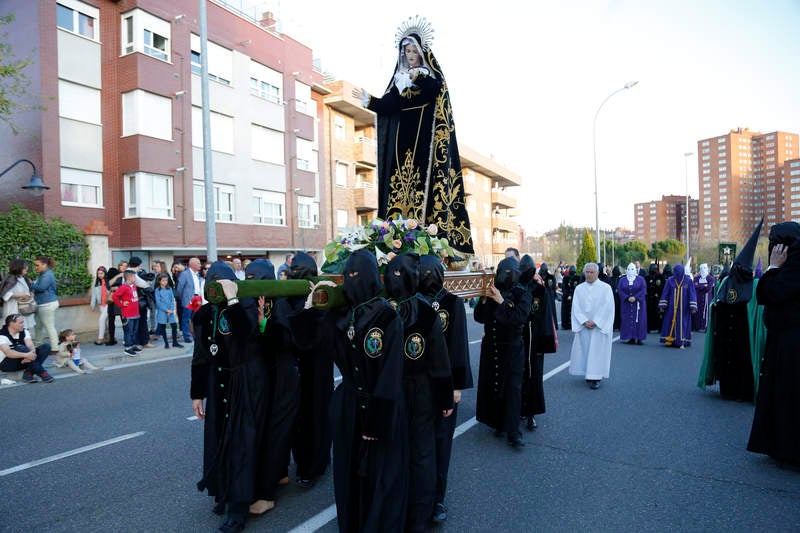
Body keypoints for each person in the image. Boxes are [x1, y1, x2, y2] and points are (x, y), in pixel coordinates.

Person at [305, 248, 409, 531]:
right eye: (348, 275)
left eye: (358, 275)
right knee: (349, 474)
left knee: (380, 477)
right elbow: (317, 345)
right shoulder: (342, 317)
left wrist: (376, 422)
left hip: (379, 407)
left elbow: (390, 375)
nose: (353, 280)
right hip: (349, 406)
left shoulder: (388, 317)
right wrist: (315, 306)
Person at [353, 17, 473, 254]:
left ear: (421, 52)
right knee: (399, 186)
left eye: (413, 50)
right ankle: (396, 239)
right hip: (402, 139)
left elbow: (434, 89)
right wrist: (371, 100)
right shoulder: (400, 78)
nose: (409, 54)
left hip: (425, 141)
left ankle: (427, 240)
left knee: (422, 185)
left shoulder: (429, 75)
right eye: (406, 50)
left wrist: (417, 74)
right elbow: (390, 104)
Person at [191, 261, 272, 533]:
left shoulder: (244, 305)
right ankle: (223, 492)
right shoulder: (203, 315)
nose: (214, 284)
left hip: (244, 382)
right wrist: (197, 394)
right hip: (218, 384)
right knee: (218, 439)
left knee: (241, 444)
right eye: (210, 279)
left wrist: (233, 300)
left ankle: (238, 507)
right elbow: (200, 355)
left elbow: (247, 334)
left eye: (220, 280)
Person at [384, 253, 453, 533]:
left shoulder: (382, 309)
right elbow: (439, 359)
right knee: (422, 451)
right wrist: (445, 397)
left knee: (396, 450)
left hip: (392, 389)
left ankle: (396, 510)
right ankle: (420, 514)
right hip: (421, 388)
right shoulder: (425, 310)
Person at [418, 254, 473, 524]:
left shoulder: (452, 303)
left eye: (431, 272)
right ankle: (419, 494)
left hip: (443, 383)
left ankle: (437, 498)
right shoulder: (411, 300)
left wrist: (457, 386)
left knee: (441, 442)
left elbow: (459, 345)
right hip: (417, 384)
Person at [747, 222, 800, 466]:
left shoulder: (794, 266)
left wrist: (773, 267)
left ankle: (788, 449)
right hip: (785, 339)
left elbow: (767, 294)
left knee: (788, 394)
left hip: (791, 342)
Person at [698, 220, 764, 401]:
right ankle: (728, 388)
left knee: (742, 360)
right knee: (727, 359)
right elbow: (717, 303)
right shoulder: (725, 283)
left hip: (743, 336)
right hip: (726, 334)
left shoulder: (754, 286)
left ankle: (742, 391)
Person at [285, 252, 333, 489]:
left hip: (317, 370)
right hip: (295, 369)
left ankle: (315, 465)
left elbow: (316, 336)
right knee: (298, 419)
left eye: (298, 269)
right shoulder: (286, 296)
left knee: (317, 416)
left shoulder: (322, 297)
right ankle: (304, 463)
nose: (293, 273)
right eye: (291, 269)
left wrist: (309, 309)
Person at [475, 257, 532, 448]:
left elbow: (517, 318)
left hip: (512, 348)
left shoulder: (522, 294)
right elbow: (479, 318)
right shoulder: (493, 290)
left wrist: (500, 301)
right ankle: (497, 422)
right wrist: (483, 301)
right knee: (494, 384)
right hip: (492, 347)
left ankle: (513, 431)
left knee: (513, 388)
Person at [519, 255, 557, 432]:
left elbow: (545, 320)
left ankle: (531, 414)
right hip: (518, 339)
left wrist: (544, 345)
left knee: (534, 377)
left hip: (534, 341)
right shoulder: (516, 288)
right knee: (518, 376)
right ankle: (517, 409)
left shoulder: (540, 290)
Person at [569, 263, 615, 390]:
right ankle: (588, 374)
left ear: (597, 273)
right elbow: (576, 307)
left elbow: (608, 307)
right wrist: (584, 321)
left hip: (599, 327)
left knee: (597, 351)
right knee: (585, 350)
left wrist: (596, 321)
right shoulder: (579, 288)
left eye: (591, 272)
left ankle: (596, 377)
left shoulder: (606, 288)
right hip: (584, 326)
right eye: (587, 272)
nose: (589, 275)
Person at [0, 313, 54, 383]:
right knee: (20, 347)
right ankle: (43, 373)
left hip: (25, 360)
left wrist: (32, 353)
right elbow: (8, 353)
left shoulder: (24, 331)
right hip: (7, 364)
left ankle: (28, 373)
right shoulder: (2, 335)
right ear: (12, 324)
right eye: (21, 323)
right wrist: (26, 355)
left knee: (46, 347)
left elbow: (30, 345)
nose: (23, 325)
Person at [658, 264, 697, 349]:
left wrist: (693, 307)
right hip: (671, 308)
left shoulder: (688, 281)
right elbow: (665, 293)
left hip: (684, 308)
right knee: (670, 322)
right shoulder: (670, 280)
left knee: (682, 323)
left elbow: (692, 294)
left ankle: (682, 342)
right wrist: (662, 305)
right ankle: (671, 340)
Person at [31, 255, 59, 350]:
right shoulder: (43, 274)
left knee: (49, 326)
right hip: (42, 304)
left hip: (47, 304)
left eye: (37, 265)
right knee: (38, 326)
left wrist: (31, 284)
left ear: (44, 265)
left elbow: (41, 287)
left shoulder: (48, 274)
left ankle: (55, 347)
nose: (36, 267)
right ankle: (38, 345)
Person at [1, 258, 36, 332]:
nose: (27, 268)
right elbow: (4, 294)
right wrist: (20, 295)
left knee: (25, 329)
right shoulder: (10, 279)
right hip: (13, 308)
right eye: (24, 267)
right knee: (15, 330)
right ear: (18, 268)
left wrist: (30, 294)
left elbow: (28, 289)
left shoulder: (23, 278)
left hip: (25, 308)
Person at [112, 270, 141, 357]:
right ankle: (128, 347)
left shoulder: (134, 286)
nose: (135, 278)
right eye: (134, 277)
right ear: (129, 278)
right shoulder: (124, 287)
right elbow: (114, 296)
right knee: (129, 331)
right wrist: (121, 304)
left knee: (135, 331)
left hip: (135, 312)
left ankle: (133, 345)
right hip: (128, 313)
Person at [129, 256, 155, 349]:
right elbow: (143, 284)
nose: (140, 267)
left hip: (133, 301)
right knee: (142, 322)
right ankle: (144, 342)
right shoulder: (131, 273)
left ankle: (137, 342)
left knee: (136, 323)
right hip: (138, 301)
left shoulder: (128, 272)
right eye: (139, 265)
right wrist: (147, 283)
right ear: (137, 265)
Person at [618, 263, 648, 345]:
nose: (630, 271)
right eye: (628, 269)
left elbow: (643, 290)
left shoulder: (641, 279)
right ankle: (630, 337)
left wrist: (636, 297)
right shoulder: (622, 280)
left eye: (632, 269)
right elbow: (620, 290)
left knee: (639, 320)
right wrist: (627, 297)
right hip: (627, 304)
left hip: (638, 304)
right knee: (627, 320)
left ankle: (639, 338)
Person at [154, 274, 183, 349]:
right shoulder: (157, 290)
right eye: (163, 280)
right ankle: (166, 343)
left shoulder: (169, 289)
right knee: (163, 326)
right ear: (159, 281)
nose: (165, 282)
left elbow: (172, 300)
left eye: (166, 280)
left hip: (170, 311)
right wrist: (166, 310)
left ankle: (175, 342)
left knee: (174, 325)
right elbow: (158, 302)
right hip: (162, 311)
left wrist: (171, 309)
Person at [176, 257, 202, 343]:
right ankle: (186, 336)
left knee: (196, 318)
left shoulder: (197, 274)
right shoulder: (185, 274)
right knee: (186, 319)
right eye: (198, 263)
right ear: (192, 264)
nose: (200, 265)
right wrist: (182, 298)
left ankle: (195, 335)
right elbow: (179, 289)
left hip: (197, 298)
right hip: (188, 299)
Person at [89, 266, 109, 345]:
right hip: (101, 304)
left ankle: (100, 338)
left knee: (101, 319)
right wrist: (92, 304)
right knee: (105, 321)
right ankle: (109, 337)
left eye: (101, 273)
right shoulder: (97, 282)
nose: (100, 275)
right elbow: (94, 294)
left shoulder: (108, 281)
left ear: (105, 273)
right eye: (98, 273)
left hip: (108, 304)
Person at [693, 264, 715, 332]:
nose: (703, 270)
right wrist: (704, 286)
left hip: (707, 298)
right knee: (698, 312)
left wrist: (700, 286)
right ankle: (697, 326)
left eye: (704, 268)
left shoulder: (710, 278)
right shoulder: (696, 278)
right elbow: (695, 286)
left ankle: (706, 327)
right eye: (701, 268)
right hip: (698, 297)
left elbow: (709, 288)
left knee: (706, 312)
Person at [538, 263, 558, 329]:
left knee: (550, 311)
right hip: (546, 296)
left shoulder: (550, 277)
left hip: (548, 296)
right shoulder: (539, 277)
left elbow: (551, 287)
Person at [646, 263, 664, 333]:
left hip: (657, 298)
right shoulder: (647, 277)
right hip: (649, 298)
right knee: (649, 313)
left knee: (658, 314)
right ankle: (649, 327)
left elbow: (662, 286)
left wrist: (658, 292)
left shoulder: (660, 277)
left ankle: (659, 328)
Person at [561, 265, 578, 330]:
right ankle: (565, 325)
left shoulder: (577, 278)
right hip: (566, 297)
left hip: (574, 296)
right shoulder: (565, 278)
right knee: (565, 311)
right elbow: (564, 287)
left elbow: (576, 288)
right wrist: (568, 295)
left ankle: (573, 324)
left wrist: (572, 295)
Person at [608, 265, 622, 331]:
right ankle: (614, 325)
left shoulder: (621, 279)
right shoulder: (610, 279)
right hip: (613, 298)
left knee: (619, 312)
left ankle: (619, 325)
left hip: (619, 298)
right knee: (613, 312)